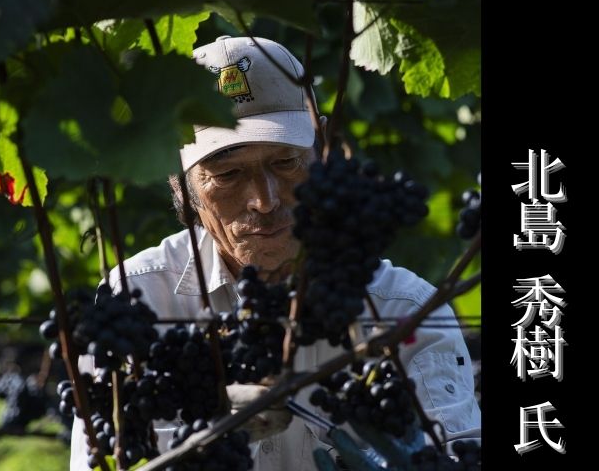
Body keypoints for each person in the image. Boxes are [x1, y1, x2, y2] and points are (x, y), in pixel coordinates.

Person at [70, 36, 481, 470]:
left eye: (286, 163)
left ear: (321, 149)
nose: (264, 200)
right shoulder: (137, 301)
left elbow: (456, 456)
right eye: (228, 174)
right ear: (180, 181)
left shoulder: (402, 308)